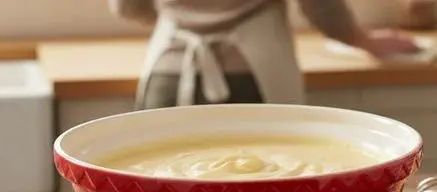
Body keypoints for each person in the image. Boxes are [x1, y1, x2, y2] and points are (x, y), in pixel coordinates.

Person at [108, 0, 420, 110]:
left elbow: (125, 5)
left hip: (168, 78)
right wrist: (360, 38)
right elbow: (320, 5)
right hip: (253, 78)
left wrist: (181, 15)